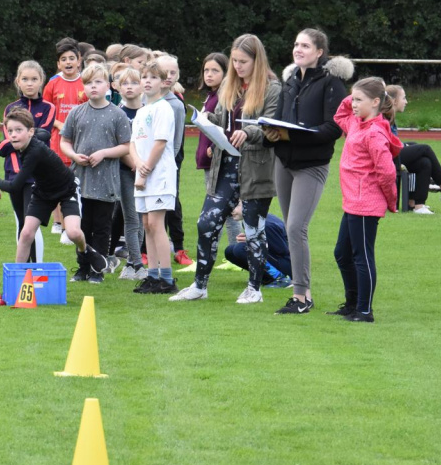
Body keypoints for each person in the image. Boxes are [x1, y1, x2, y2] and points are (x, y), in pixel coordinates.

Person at [171, 34, 280, 304]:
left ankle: (254, 289)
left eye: (243, 61)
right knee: (206, 222)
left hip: (256, 168)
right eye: (235, 61)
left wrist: (250, 132)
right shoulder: (229, 86)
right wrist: (208, 118)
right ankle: (199, 286)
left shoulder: (272, 88)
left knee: (253, 229)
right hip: (225, 165)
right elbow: (223, 118)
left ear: (257, 60)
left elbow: (272, 127)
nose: (238, 67)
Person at [265, 29, 353, 316]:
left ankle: (301, 296)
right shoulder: (290, 79)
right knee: (291, 230)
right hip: (284, 162)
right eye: (296, 44)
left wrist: (292, 136)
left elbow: (334, 127)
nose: (298, 49)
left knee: (295, 228)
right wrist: (270, 132)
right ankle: (303, 295)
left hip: (312, 164)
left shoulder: (332, 82)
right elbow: (279, 118)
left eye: (305, 45)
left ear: (319, 52)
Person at [0, 108, 108, 274]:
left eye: (18, 130)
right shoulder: (28, 140)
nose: (13, 135)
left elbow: (14, 187)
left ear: (30, 132)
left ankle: (85, 250)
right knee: (26, 233)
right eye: (10, 131)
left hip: (67, 189)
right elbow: (44, 133)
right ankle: (18, 276)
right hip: (43, 192)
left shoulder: (34, 152)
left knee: (73, 233)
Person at [330, 78, 402, 322]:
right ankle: (351, 304)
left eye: (359, 100)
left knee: (362, 257)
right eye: (353, 99)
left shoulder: (374, 133)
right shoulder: (355, 123)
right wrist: (354, 94)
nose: (353, 104)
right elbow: (339, 115)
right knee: (342, 253)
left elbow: (387, 172)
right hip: (352, 202)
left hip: (365, 204)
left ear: (375, 102)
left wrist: (391, 200)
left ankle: (363, 310)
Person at [60, 64, 132, 283]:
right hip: (80, 181)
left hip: (106, 182)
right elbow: (65, 141)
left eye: (98, 82)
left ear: (108, 86)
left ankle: (97, 270)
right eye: (89, 83)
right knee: (82, 227)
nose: (93, 86)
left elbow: (126, 146)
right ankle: (82, 268)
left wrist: (103, 153)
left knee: (101, 228)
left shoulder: (117, 114)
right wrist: (73, 155)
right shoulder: (76, 112)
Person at [0, 60, 56, 260]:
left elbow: (43, 136)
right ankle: (23, 271)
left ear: (41, 81)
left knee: (31, 226)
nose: (29, 83)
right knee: (21, 224)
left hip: (37, 176)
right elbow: (3, 145)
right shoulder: (10, 108)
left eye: (34, 79)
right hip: (13, 174)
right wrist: (22, 138)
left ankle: (37, 268)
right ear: (18, 81)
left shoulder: (48, 107)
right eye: (25, 79)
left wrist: (17, 140)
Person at [130, 60, 177, 294]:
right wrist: (139, 166)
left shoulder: (163, 108)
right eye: (144, 77)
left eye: (153, 77)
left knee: (157, 224)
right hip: (143, 174)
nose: (147, 81)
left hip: (160, 176)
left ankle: (166, 279)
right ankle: (152, 275)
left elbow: (160, 143)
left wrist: (146, 169)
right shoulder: (141, 111)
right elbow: (132, 144)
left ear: (163, 82)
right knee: (147, 225)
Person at [386, 85, 441, 213]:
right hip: (387, 158)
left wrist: (404, 145)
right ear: (394, 101)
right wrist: (403, 146)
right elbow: (386, 144)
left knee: (424, 162)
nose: (406, 102)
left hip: (392, 155)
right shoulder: (383, 117)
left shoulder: (390, 117)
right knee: (425, 149)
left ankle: (418, 205)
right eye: (404, 98)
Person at [194, 51, 242, 253]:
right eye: (206, 70)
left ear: (226, 73)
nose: (209, 74)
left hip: (219, 159)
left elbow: (227, 127)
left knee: (221, 211)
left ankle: (235, 252)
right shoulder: (211, 95)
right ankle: (231, 252)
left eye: (215, 70)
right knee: (221, 211)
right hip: (210, 160)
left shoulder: (224, 95)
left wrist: (214, 148)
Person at [42, 37, 87, 236]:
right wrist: (61, 125)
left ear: (79, 60)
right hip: (58, 141)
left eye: (71, 58)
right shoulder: (53, 84)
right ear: (58, 63)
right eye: (63, 59)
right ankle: (58, 222)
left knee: (78, 182)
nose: (68, 62)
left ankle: (77, 222)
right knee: (58, 180)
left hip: (82, 140)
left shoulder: (86, 82)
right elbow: (46, 111)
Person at [155, 54, 192, 267]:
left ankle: (178, 247)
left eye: (173, 72)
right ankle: (144, 250)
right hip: (144, 162)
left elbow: (177, 141)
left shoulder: (176, 105)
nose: (168, 76)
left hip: (170, 161)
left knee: (172, 203)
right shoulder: (145, 100)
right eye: (165, 72)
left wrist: (166, 164)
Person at [112, 66, 146, 280]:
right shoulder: (117, 113)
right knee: (132, 219)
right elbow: (119, 144)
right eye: (125, 83)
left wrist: (144, 166)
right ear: (117, 87)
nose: (129, 87)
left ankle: (132, 265)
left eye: (134, 82)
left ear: (142, 86)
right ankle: (137, 265)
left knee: (142, 220)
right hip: (126, 171)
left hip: (146, 170)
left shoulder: (148, 111)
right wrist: (134, 164)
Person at [222, 206, 293, 287]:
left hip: (288, 264)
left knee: (240, 249)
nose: (231, 210)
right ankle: (265, 278)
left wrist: (253, 241)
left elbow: (283, 251)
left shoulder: (266, 224)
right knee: (229, 251)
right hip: (278, 259)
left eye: (236, 206)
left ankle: (281, 278)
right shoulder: (249, 221)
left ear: (247, 205)